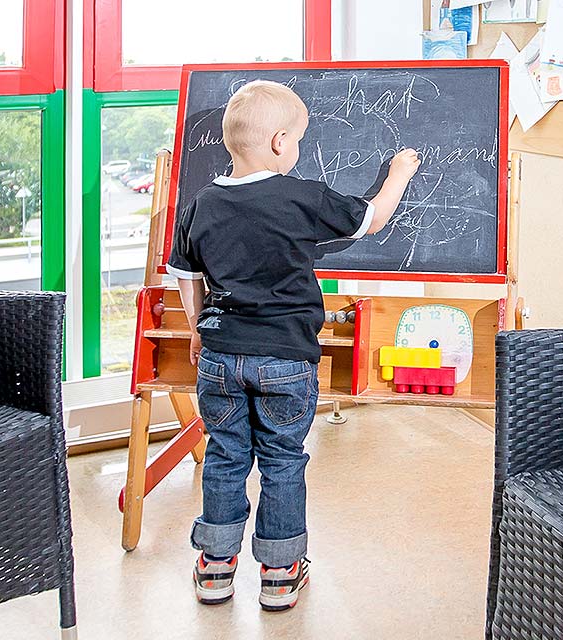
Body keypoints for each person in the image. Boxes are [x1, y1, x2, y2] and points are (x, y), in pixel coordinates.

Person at [168, 80, 421, 611]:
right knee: (282, 460)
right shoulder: (300, 196)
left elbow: (185, 276)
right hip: (285, 357)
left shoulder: (200, 204)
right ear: (281, 142)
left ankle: (215, 567)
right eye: (301, 141)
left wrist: (197, 327)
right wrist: (399, 172)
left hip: (219, 356)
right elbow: (372, 220)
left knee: (225, 456)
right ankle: (280, 573)